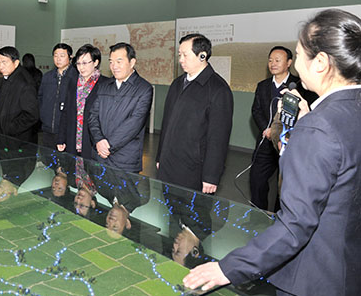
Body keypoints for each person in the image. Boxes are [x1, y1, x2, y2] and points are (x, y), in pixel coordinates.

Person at [183, 9, 361, 296]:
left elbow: (296, 224)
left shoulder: (319, 128)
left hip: (313, 278)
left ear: (321, 62)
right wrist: (304, 123)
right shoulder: (343, 112)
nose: (297, 64)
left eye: (299, 55)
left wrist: (229, 268)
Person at [156, 33, 233, 194]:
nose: (180, 60)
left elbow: (218, 138)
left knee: (193, 210)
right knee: (169, 207)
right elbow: (166, 124)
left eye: (185, 55)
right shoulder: (177, 84)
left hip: (193, 171)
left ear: (202, 56)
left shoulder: (218, 89)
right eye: (179, 55)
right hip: (169, 164)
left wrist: (211, 176)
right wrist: (159, 157)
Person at [88, 42, 153, 172]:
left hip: (125, 159)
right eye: (111, 62)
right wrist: (99, 140)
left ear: (132, 62)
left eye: (119, 61)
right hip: (99, 156)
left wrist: (108, 146)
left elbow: (134, 123)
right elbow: (93, 116)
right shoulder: (104, 86)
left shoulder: (144, 88)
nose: (114, 66)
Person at [250, 46, 299, 211]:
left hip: (288, 144)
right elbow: (256, 110)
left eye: (277, 60)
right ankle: (257, 216)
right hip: (266, 141)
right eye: (270, 60)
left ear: (289, 63)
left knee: (284, 185)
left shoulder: (299, 86)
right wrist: (267, 129)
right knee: (257, 181)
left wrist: (279, 132)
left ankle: (280, 218)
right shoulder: (263, 86)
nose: (273, 64)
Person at [57, 44, 109, 159]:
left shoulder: (106, 84)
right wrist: (61, 138)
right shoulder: (73, 82)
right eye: (78, 63)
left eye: (85, 63)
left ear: (95, 62)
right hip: (72, 138)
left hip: (93, 142)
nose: (81, 67)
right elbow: (65, 112)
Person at [0, 46, 39, 143]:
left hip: (17, 139)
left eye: (4, 62)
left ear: (16, 63)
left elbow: (31, 115)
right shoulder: (8, 76)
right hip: (2, 135)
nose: (0, 66)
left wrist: (10, 128)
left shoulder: (25, 83)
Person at [38, 43, 76, 149]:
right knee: (48, 156)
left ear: (70, 57)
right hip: (47, 129)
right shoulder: (47, 77)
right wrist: (43, 116)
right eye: (55, 55)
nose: (58, 59)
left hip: (67, 130)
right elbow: (40, 98)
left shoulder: (75, 77)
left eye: (62, 56)